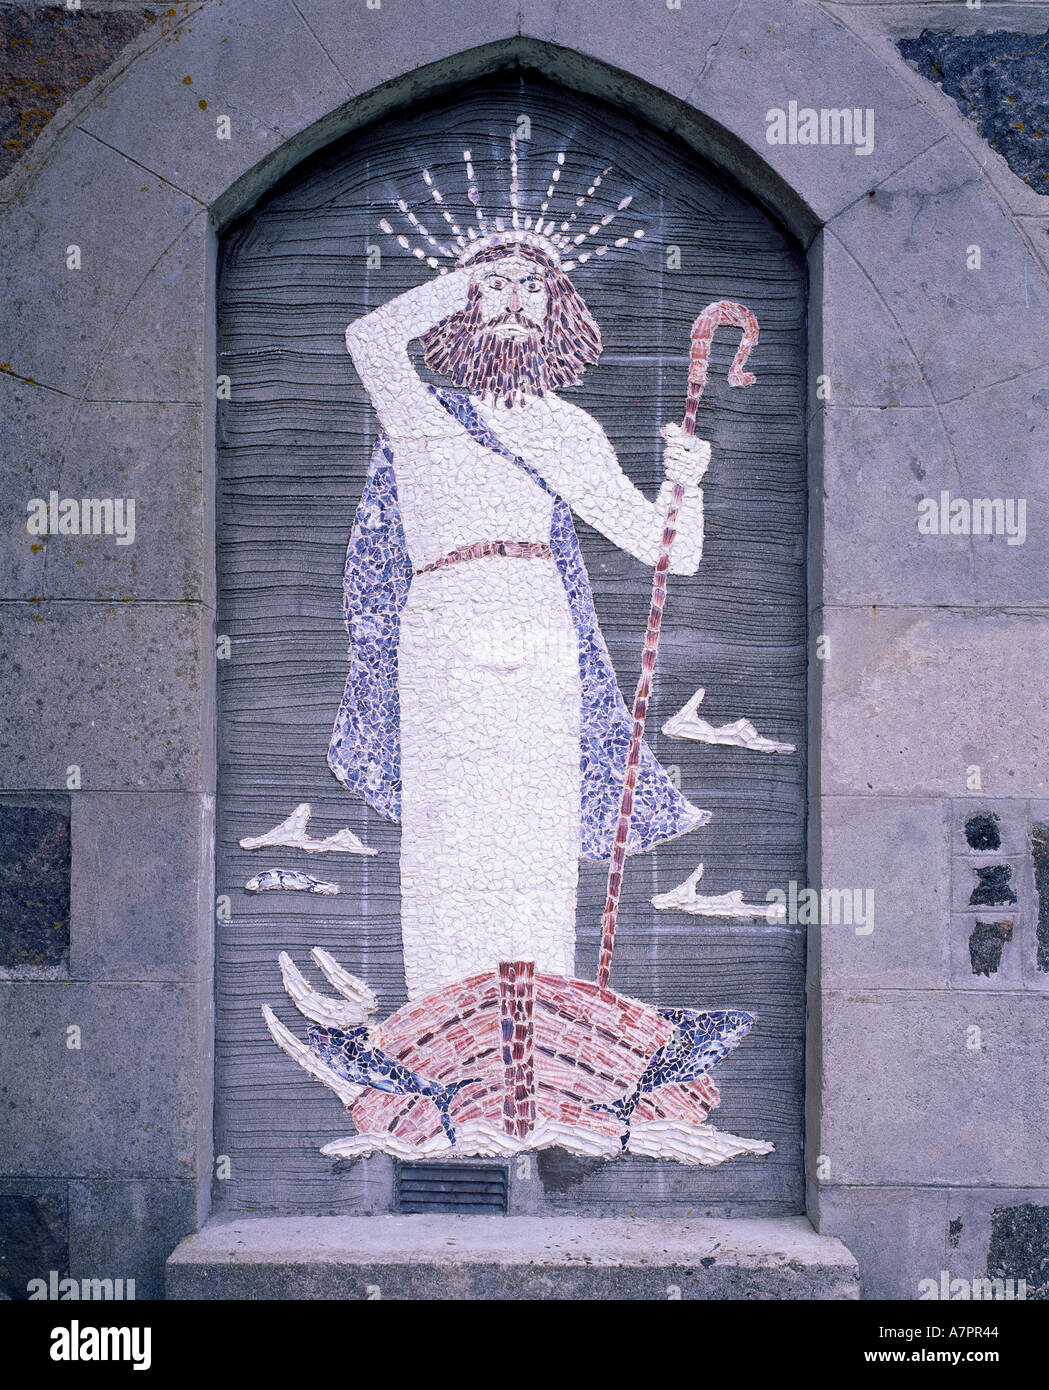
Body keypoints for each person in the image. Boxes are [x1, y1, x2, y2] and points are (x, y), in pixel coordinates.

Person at [329, 238, 711, 1000]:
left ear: (555, 309)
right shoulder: (420, 410)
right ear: (465, 302)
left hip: (538, 624)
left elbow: (669, 553)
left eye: (530, 289)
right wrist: (475, 280)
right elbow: (366, 337)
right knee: (450, 829)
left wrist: (687, 486)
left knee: (535, 828)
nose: (511, 299)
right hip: (441, 621)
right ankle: (445, 1007)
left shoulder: (567, 429)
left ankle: (540, 1006)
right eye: (495, 287)